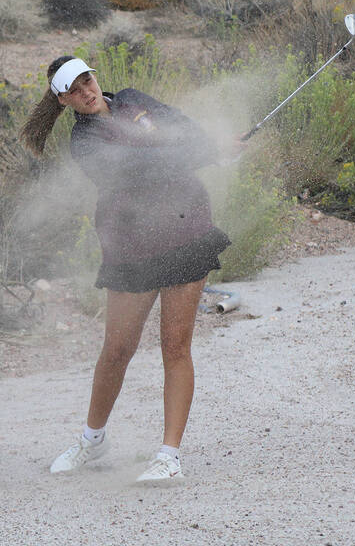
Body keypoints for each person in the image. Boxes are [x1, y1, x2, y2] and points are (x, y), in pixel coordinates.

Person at [20, 55, 232, 484]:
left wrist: (211, 143)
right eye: (74, 89)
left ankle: (168, 455)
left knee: (176, 347)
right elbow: (141, 170)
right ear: (63, 100)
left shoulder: (133, 99)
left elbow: (183, 126)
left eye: (87, 80)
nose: (86, 91)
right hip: (131, 246)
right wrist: (203, 152)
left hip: (187, 229)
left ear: (94, 77)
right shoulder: (86, 143)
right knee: (117, 351)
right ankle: (92, 439)